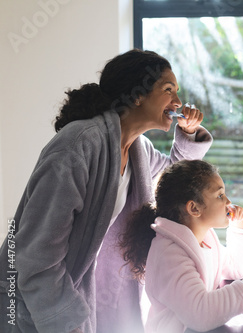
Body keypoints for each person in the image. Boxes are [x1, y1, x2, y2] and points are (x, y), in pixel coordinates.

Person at [0, 49, 213, 333]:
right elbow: (36, 254)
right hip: (29, 304)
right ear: (137, 94)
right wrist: (67, 322)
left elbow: (173, 178)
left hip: (79, 295)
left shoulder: (137, 149)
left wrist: (187, 133)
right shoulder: (77, 147)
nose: (178, 101)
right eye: (168, 89)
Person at [119, 160, 243, 333]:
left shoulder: (206, 240)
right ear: (194, 208)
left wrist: (238, 226)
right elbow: (201, 314)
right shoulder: (169, 253)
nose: (228, 202)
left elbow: (237, 269)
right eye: (220, 196)